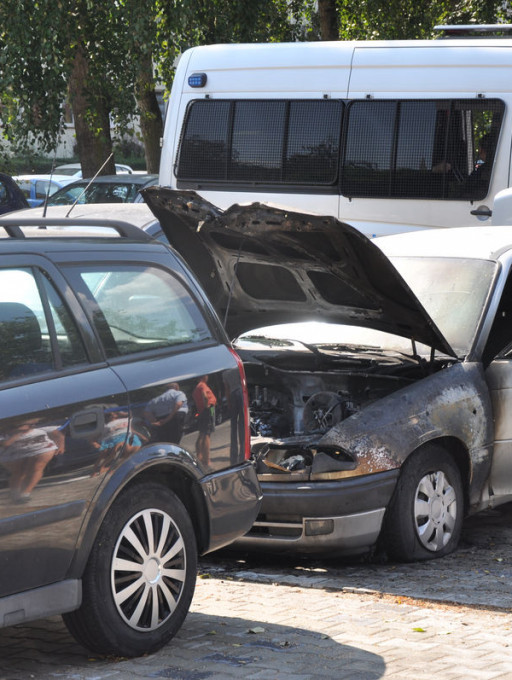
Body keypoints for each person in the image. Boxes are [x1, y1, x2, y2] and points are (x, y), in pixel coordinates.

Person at [192, 375, 217, 466]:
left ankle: (199, 457)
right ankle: (206, 461)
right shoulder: (202, 385)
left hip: (201, 411)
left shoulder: (196, 389)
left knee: (201, 434)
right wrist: (207, 407)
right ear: (204, 377)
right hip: (208, 410)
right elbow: (205, 396)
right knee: (207, 434)